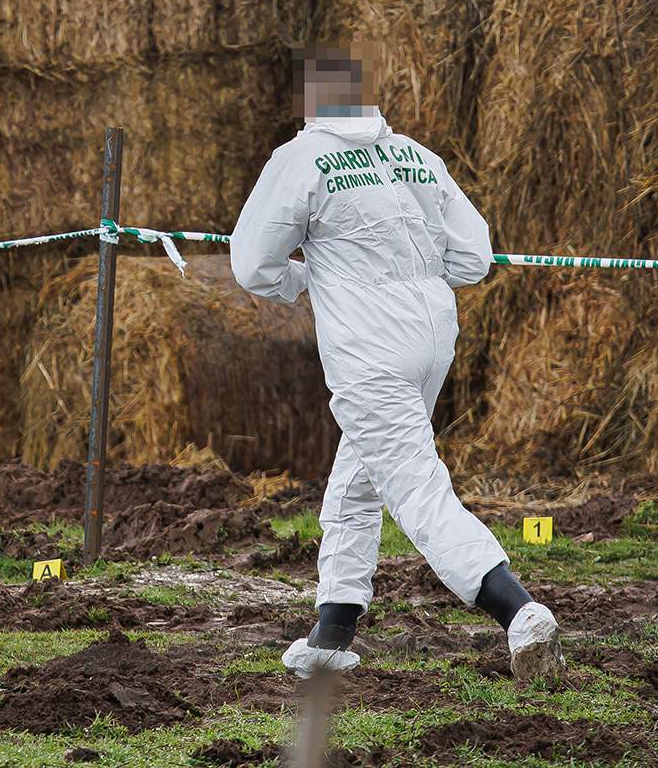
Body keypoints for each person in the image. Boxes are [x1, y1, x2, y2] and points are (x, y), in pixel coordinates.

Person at [230, 46, 563, 682]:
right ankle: (333, 629)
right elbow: (474, 257)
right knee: (359, 477)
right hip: (433, 338)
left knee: (413, 485)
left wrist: (305, 281)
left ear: (308, 103)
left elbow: (252, 265)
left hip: (368, 348)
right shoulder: (415, 155)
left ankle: (518, 612)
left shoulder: (300, 160)